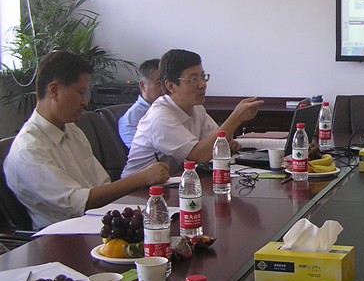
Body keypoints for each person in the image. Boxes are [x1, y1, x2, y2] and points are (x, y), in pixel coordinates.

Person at [3, 51, 170, 229]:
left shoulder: (72, 130)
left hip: (99, 223)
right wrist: (141, 178)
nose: (85, 102)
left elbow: (102, 185)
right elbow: (80, 203)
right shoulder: (29, 148)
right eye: (80, 93)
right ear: (54, 90)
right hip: (63, 235)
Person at [122, 49, 263, 177]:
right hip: (137, 191)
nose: (203, 84)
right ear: (171, 86)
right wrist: (236, 117)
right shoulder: (159, 117)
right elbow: (199, 155)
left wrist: (226, 143)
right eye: (194, 79)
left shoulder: (196, 107)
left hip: (174, 181)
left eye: (203, 77)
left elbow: (217, 143)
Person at [117, 58, 163, 148]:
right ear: (143, 85)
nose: (166, 87)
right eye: (159, 82)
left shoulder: (171, 108)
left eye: (167, 82)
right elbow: (141, 153)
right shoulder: (131, 119)